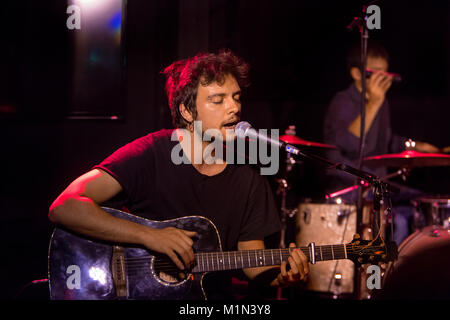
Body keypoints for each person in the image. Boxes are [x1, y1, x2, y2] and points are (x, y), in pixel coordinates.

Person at [48, 50, 309, 300]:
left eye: (237, 97)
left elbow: (253, 259)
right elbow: (64, 206)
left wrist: (282, 277)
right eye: (218, 100)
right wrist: (149, 235)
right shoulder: (150, 154)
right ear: (186, 111)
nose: (234, 108)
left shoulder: (249, 175)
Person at [323, 43, 439, 245]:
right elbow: (349, 144)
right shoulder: (343, 101)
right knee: (400, 221)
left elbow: (385, 141)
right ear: (357, 74)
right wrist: (374, 103)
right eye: (374, 73)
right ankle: (389, 274)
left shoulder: (381, 102)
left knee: (427, 201)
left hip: (379, 184)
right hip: (350, 187)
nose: (383, 79)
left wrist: (415, 146)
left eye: (385, 73)